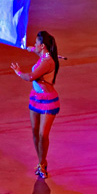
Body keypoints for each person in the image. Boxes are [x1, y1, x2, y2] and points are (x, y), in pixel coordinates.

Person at [11, 31, 60, 180]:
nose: (35, 45)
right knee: (34, 131)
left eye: (37, 43)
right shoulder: (43, 55)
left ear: (43, 46)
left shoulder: (47, 62)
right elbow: (34, 49)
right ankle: (40, 162)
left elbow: (31, 77)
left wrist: (18, 72)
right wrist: (27, 46)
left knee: (43, 135)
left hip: (48, 101)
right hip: (36, 98)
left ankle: (42, 163)